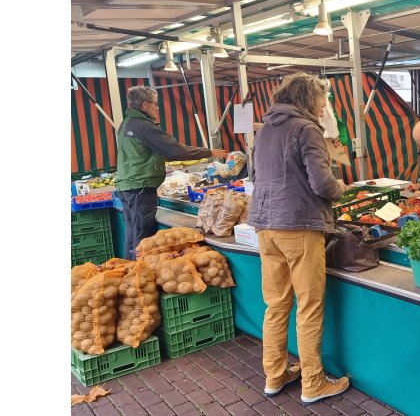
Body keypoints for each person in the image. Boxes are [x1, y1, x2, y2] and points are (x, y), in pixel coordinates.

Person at [247, 72, 351, 404]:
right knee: (308, 306)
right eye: (321, 102)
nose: (323, 109)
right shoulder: (306, 129)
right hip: (299, 225)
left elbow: (253, 175)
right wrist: (342, 189)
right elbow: (322, 183)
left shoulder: (263, 131)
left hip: (265, 226)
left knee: (276, 305)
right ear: (307, 99)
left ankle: (275, 376)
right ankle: (313, 383)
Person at [114, 86, 226, 260]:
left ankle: (130, 271)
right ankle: (138, 277)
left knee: (132, 233)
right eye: (155, 104)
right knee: (142, 236)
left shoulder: (127, 122)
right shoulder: (143, 126)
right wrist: (207, 152)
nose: (157, 108)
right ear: (144, 105)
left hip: (128, 185)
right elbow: (173, 150)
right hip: (140, 187)